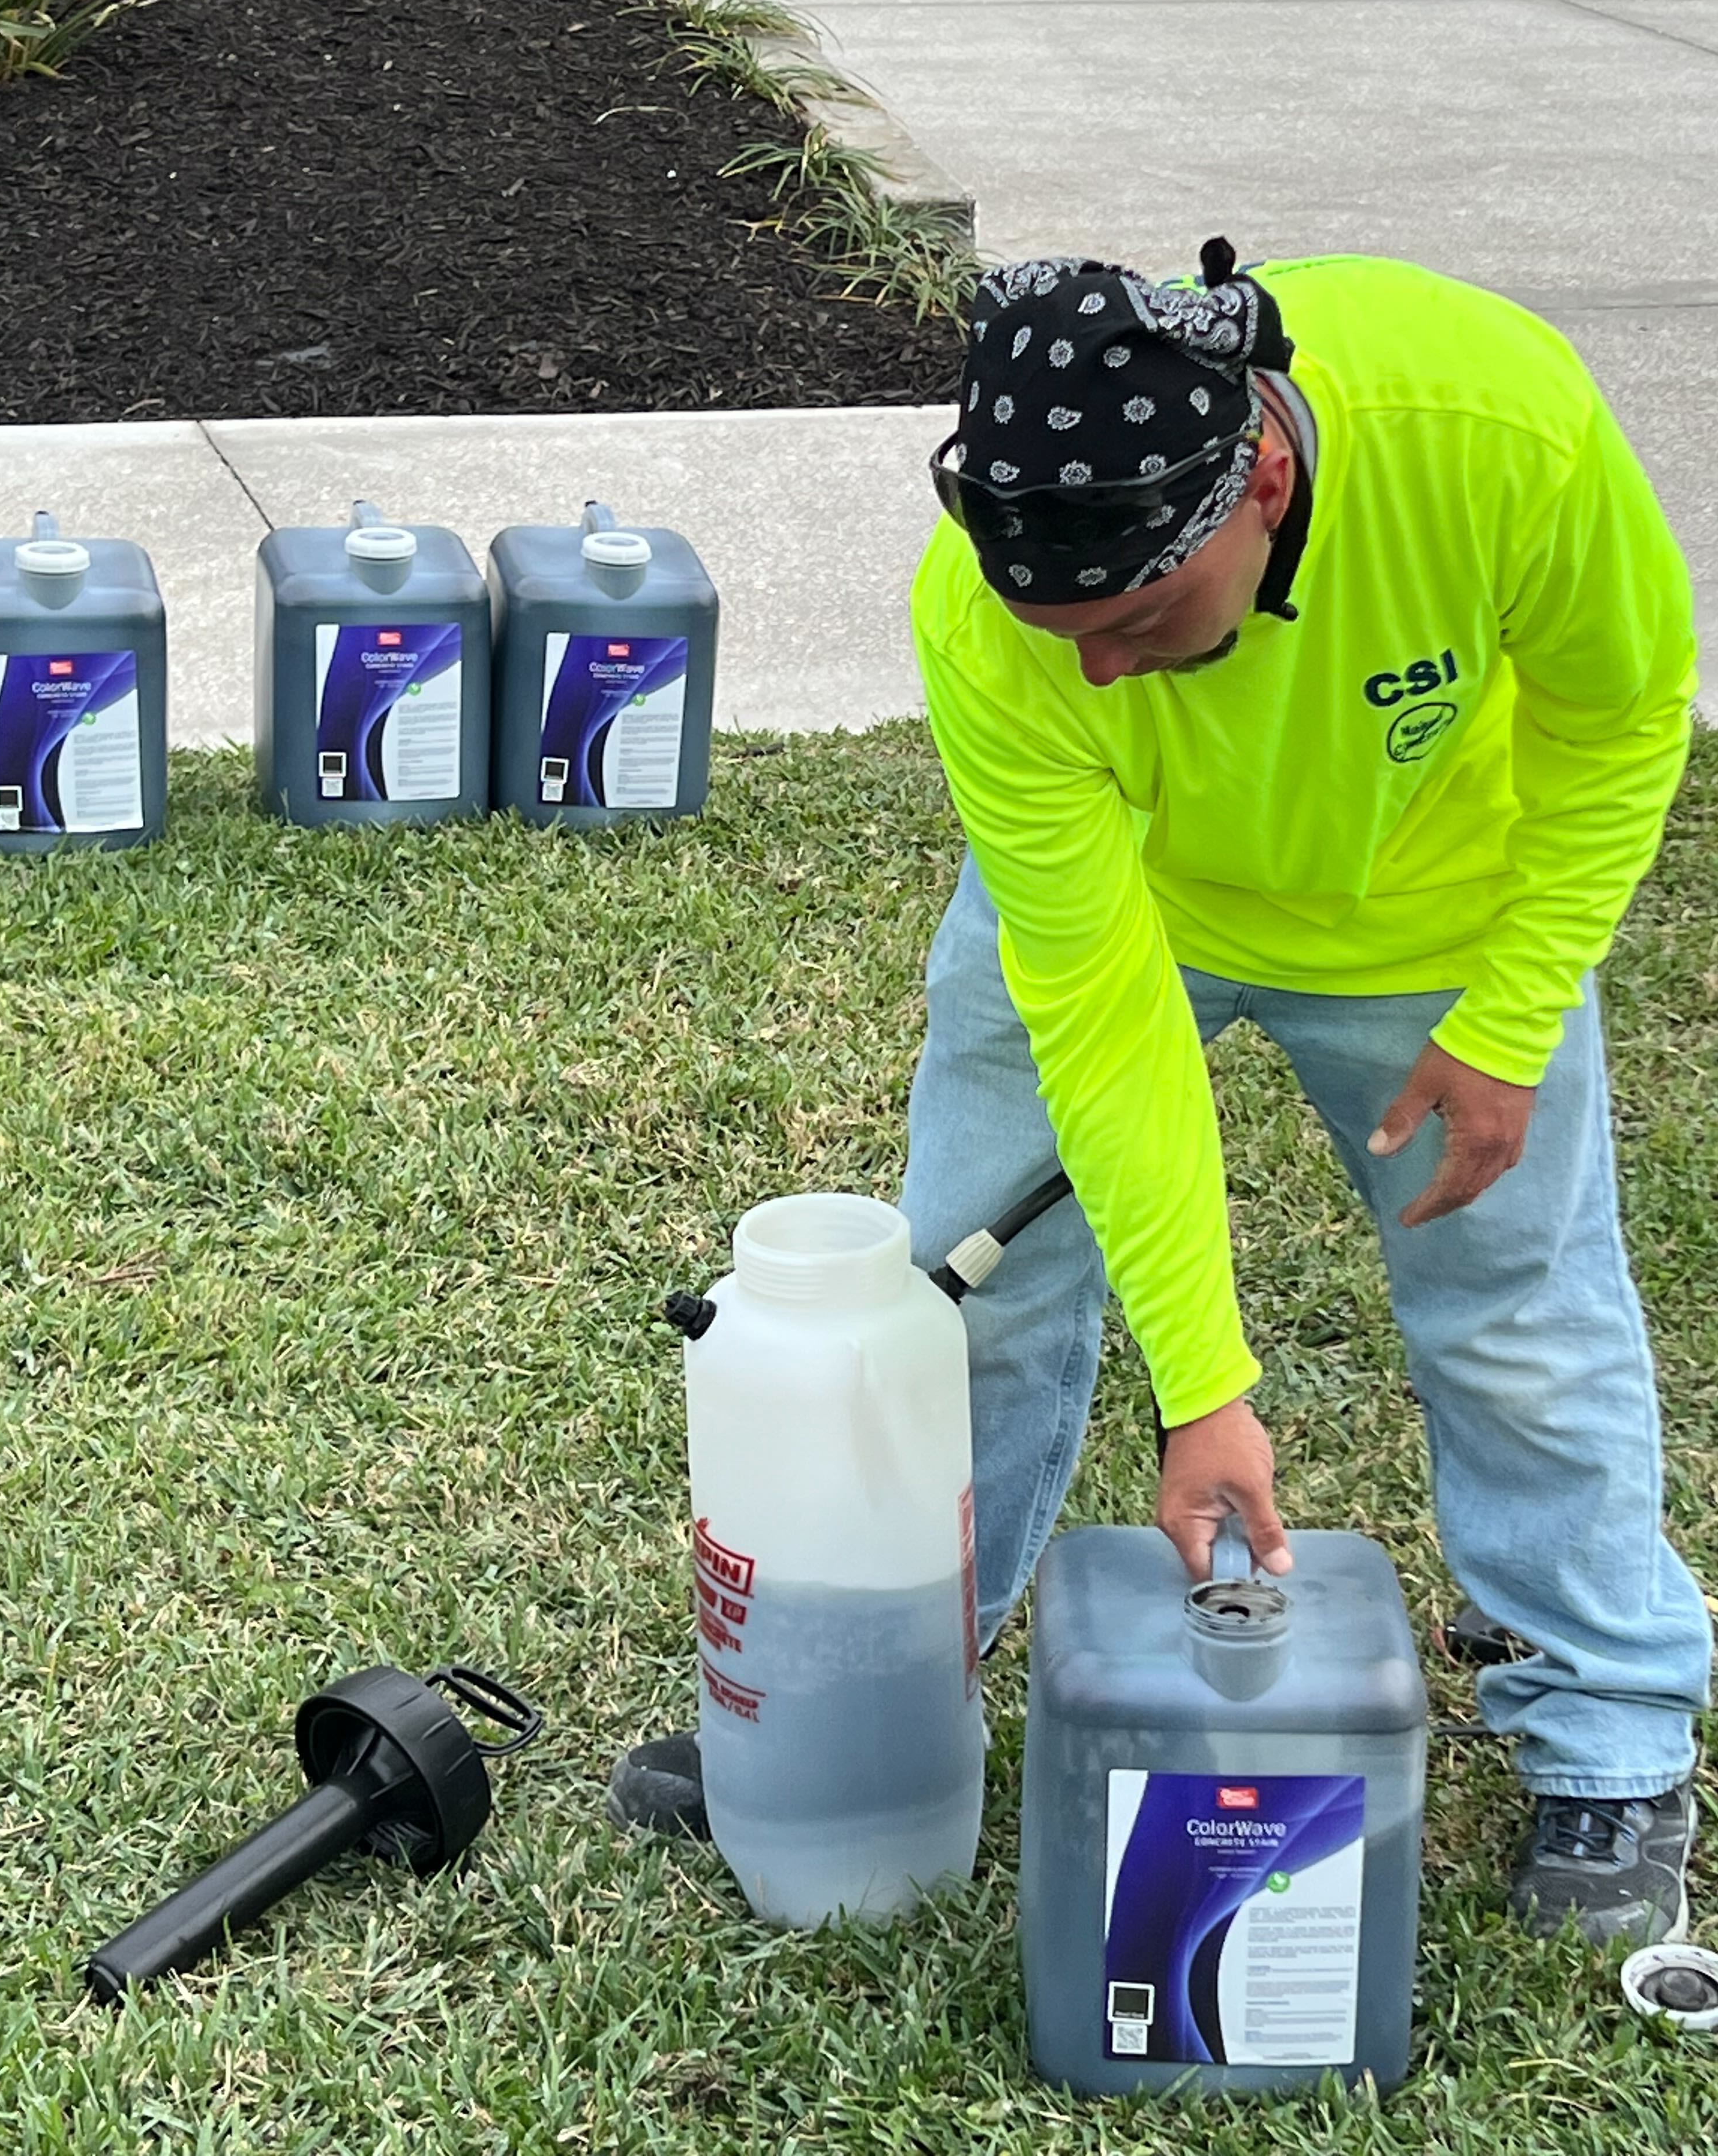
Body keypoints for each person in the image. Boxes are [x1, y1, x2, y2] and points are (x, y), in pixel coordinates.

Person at [615, 243, 1709, 1952]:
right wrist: (1206, 1391)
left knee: (1520, 1309)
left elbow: (1625, 710)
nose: (1102, 676)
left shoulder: (1495, 427)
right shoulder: (990, 618)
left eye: (1134, 621)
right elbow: (1106, 1027)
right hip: (1124, 899)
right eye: (1068, 635)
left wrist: (1511, 1017)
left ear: (1260, 481)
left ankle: (1614, 1731)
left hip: (1437, 917)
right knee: (963, 1282)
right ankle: (894, 1696)